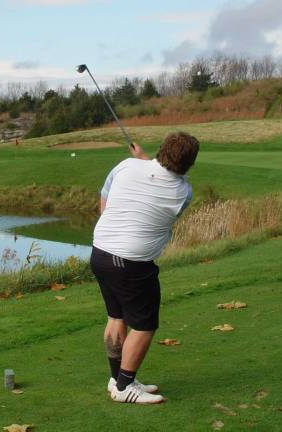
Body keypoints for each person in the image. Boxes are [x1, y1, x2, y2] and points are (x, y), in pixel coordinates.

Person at [90, 132, 199, 404]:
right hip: (132, 265)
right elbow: (167, 178)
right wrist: (144, 159)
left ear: (161, 150)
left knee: (116, 317)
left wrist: (140, 159)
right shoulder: (183, 193)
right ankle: (125, 387)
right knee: (144, 325)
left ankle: (118, 379)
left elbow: (104, 204)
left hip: (100, 253)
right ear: (190, 164)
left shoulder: (126, 166)